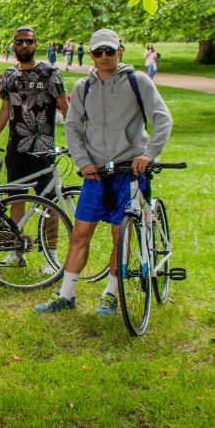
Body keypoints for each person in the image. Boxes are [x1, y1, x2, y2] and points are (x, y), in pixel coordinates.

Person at [35, 28, 173, 315]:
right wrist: (82, 161)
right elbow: (72, 126)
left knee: (118, 234)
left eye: (110, 50)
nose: (104, 56)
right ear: (92, 54)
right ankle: (66, 294)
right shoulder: (83, 87)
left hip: (129, 172)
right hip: (95, 174)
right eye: (98, 52)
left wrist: (149, 154)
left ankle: (110, 293)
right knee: (80, 234)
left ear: (119, 51)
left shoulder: (138, 82)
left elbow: (162, 118)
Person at [0, 27, 69, 271]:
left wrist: (76, 139)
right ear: (13, 45)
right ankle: (15, 250)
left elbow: (64, 107)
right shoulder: (8, 76)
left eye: (28, 41)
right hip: (16, 150)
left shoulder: (51, 74)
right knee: (16, 200)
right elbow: (4, 110)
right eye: (19, 41)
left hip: (42, 149)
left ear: (36, 44)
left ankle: (50, 256)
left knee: (49, 204)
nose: (24, 45)